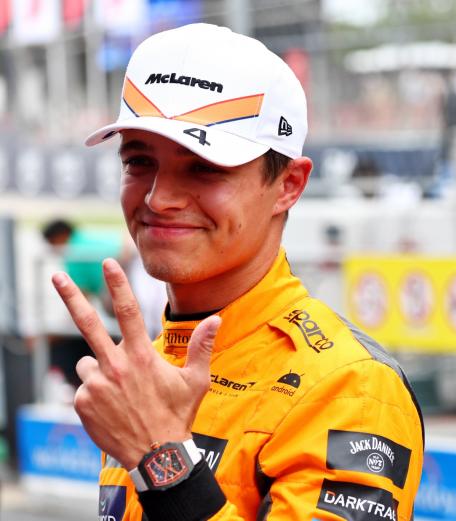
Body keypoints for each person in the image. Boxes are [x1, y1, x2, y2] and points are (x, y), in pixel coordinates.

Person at [52, 23, 424, 521]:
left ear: (289, 184)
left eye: (204, 167)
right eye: (139, 161)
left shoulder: (348, 385)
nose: (159, 198)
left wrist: (161, 459)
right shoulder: (144, 368)